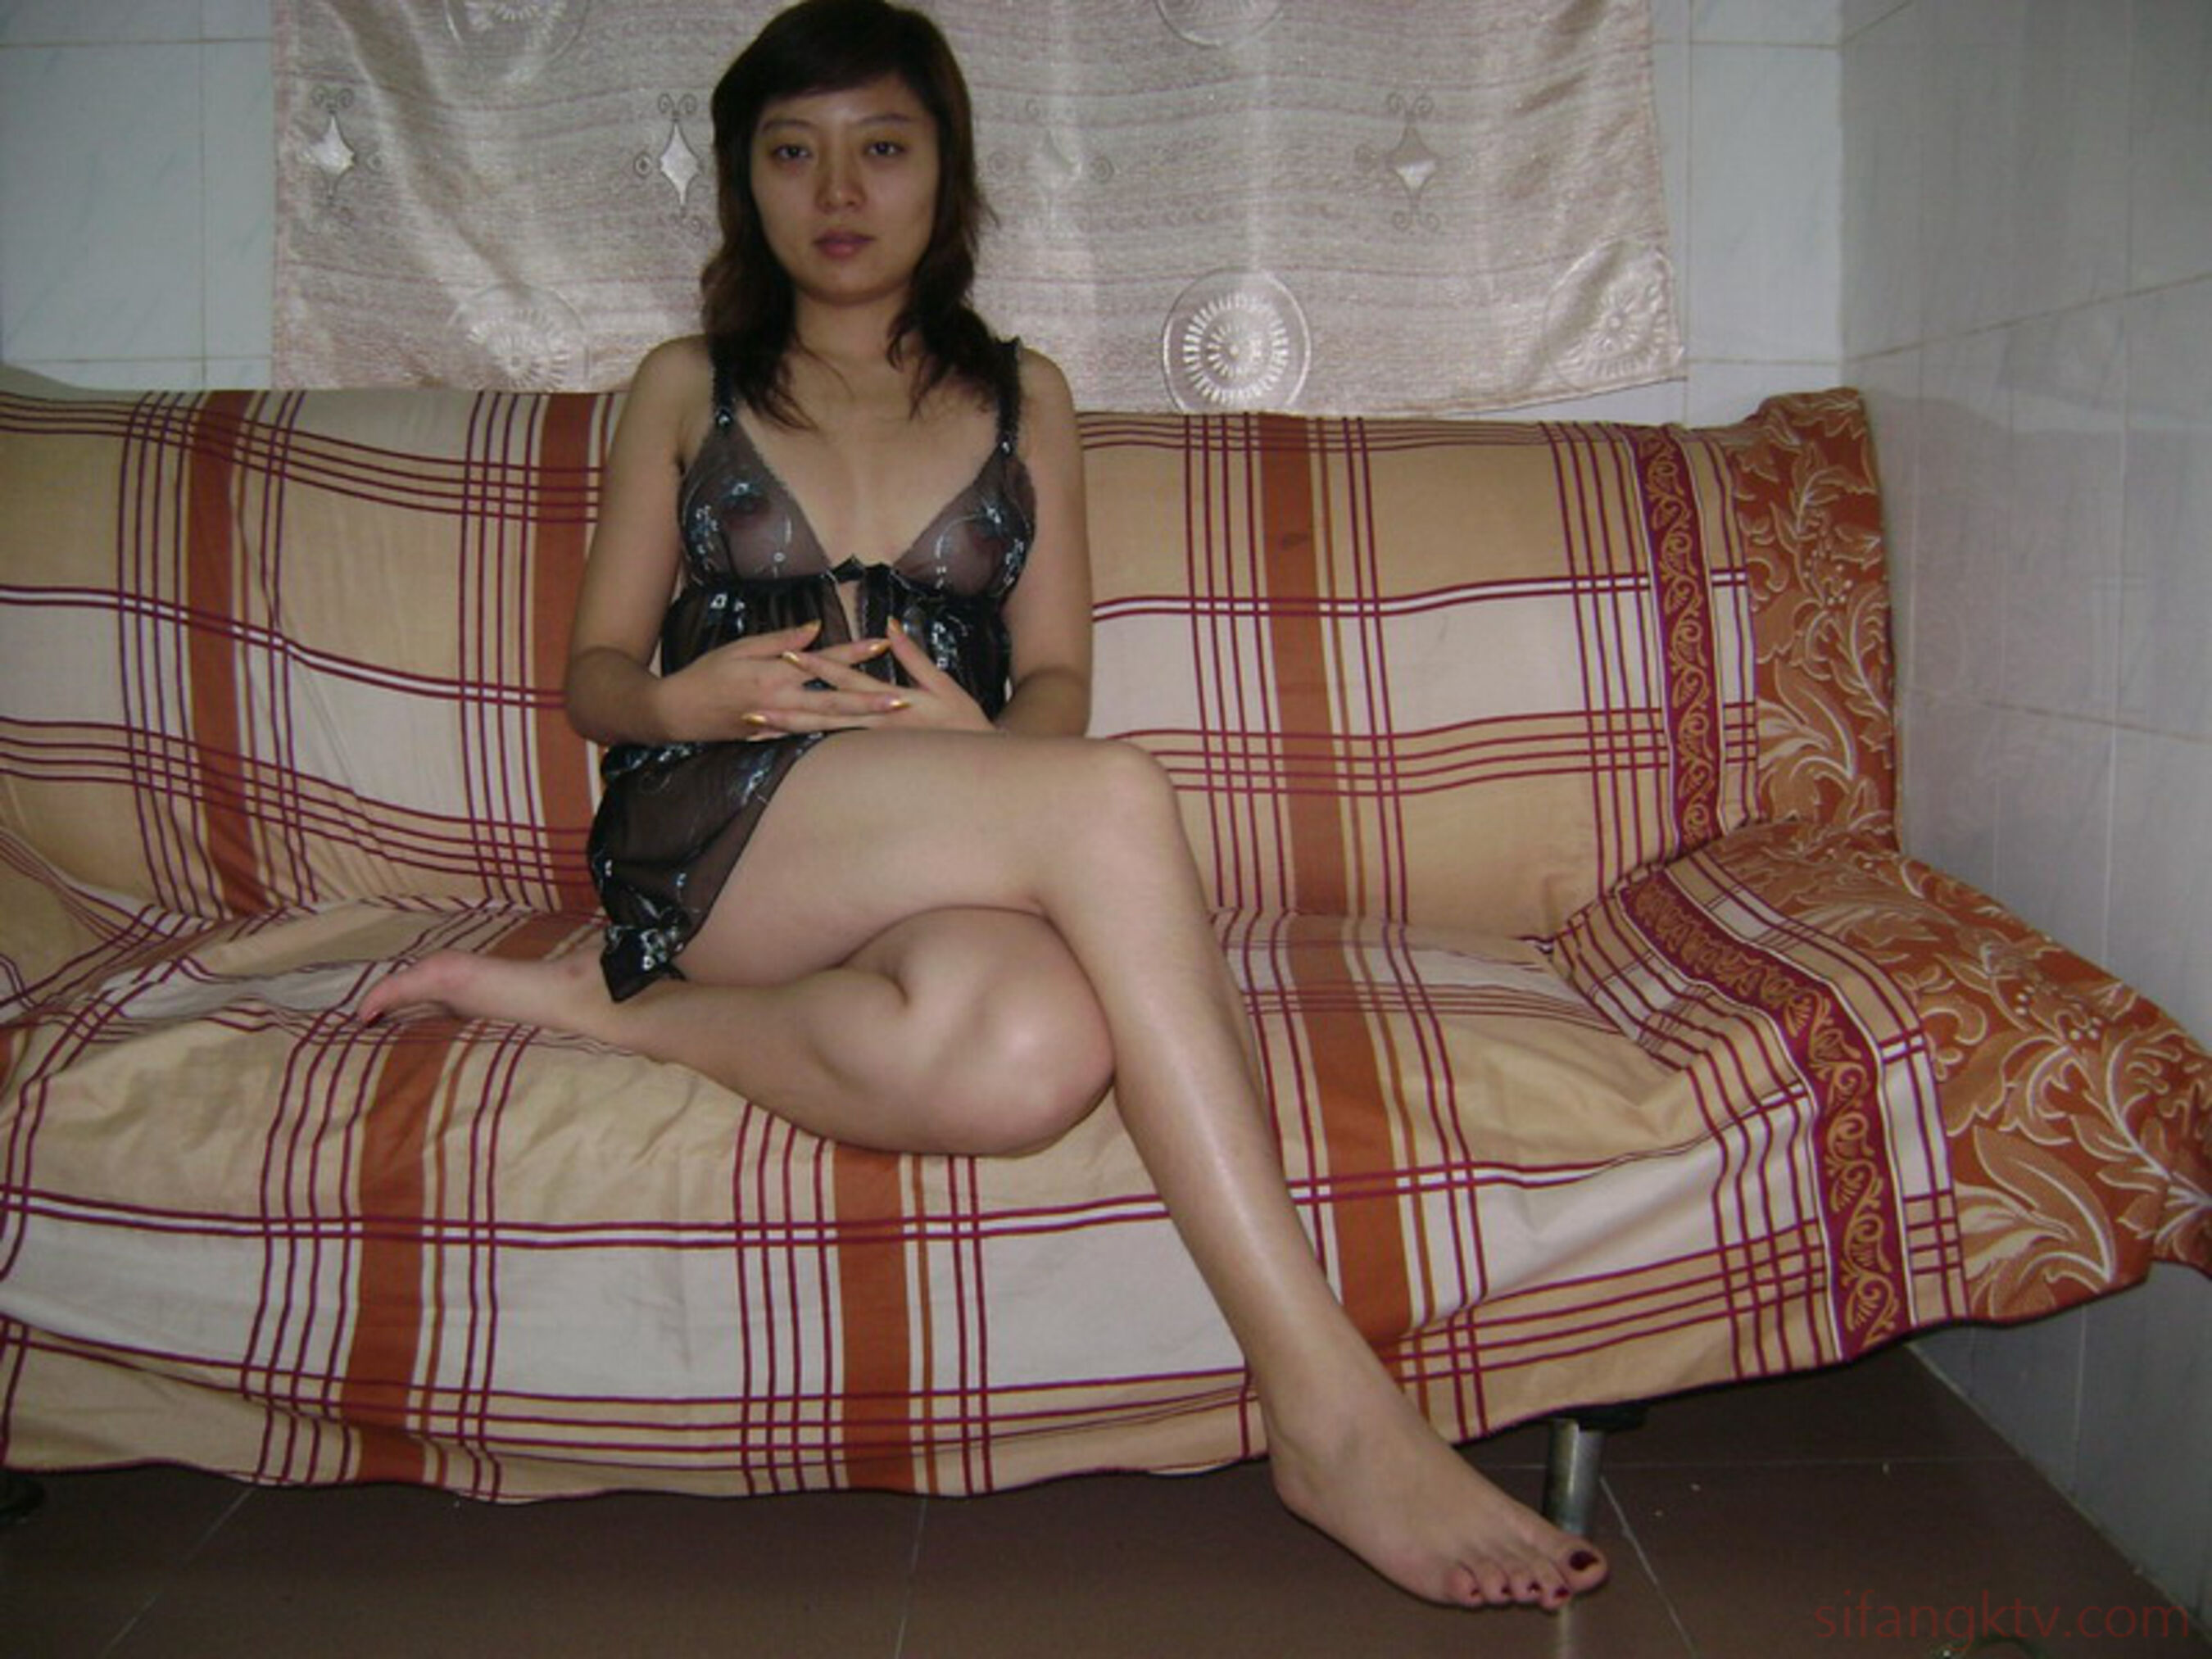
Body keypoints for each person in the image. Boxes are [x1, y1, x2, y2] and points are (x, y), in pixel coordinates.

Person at [360, 0, 1609, 1612]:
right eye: (793, 153)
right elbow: (595, 673)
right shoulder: (685, 386)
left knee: (1032, 1047)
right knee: (1113, 800)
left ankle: (630, 1016)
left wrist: (991, 742)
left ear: (946, 174)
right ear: (745, 184)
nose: (840, 190)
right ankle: (1333, 1406)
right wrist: (681, 699)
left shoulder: (1029, 395)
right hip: (724, 828)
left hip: (934, 842)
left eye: (882, 147)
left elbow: (1059, 679)